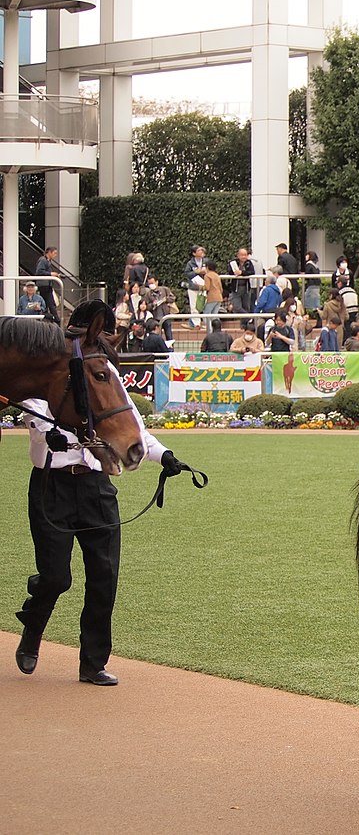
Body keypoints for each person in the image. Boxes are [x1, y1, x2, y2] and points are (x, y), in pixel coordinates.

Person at [13, 305, 189, 686]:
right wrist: (52, 434)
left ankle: (93, 664)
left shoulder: (103, 375)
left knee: (104, 577)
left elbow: (129, 426)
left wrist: (164, 456)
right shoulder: (51, 372)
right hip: (51, 486)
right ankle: (33, 626)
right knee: (56, 577)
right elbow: (40, 414)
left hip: (95, 488)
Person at [144, 274, 176, 341]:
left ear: (156, 282)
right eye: (149, 283)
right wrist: (153, 304)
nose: (151, 285)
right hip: (155, 317)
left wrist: (166, 299)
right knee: (157, 335)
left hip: (166, 315)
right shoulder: (148, 294)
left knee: (169, 334)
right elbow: (146, 306)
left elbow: (173, 298)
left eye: (152, 283)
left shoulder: (165, 289)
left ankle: (170, 349)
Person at [35, 246, 62, 324]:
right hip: (44, 285)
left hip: (47, 285)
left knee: (47, 304)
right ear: (49, 252)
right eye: (54, 253)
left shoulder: (47, 261)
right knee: (50, 304)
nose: (55, 255)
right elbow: (39, 272)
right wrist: (50, 274)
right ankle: (57, 321)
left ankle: (50, 320)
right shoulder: (43, 260)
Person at [183, 244, 207, 326]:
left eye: (201, 250)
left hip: (204, 287)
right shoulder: (190, 263)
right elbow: (187, 273)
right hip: (193, 287)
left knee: (205, 305)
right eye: (199, 250)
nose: (201, 252)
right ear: (194, 253)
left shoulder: (206, 261)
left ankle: (207, 323)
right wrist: (196, 272)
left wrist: (205, 271)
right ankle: (196, 324)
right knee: (193, 306)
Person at [227, 248, 256, 314]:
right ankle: (248, 317)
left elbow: (252, 272)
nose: (244, 257)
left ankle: (245, 322)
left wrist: (242, 272)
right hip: (236, 288)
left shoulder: (249, 263)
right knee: (236, 306)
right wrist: (235, 272)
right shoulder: (233, 262)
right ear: (238, 255)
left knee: (246, 306)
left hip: (246, 288)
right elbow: (229, 271)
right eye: (242, 255)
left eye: (245, 255)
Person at [201, 258, 225, 331]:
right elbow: (221, 288)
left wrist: (199, 286)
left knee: (206, 314)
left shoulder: (207, 275)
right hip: (219, 296)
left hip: (212, 297)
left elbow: (207, 287)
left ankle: (210, 330)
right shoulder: (216, 275)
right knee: (215, 315)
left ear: (207, 267)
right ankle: (218, 329)